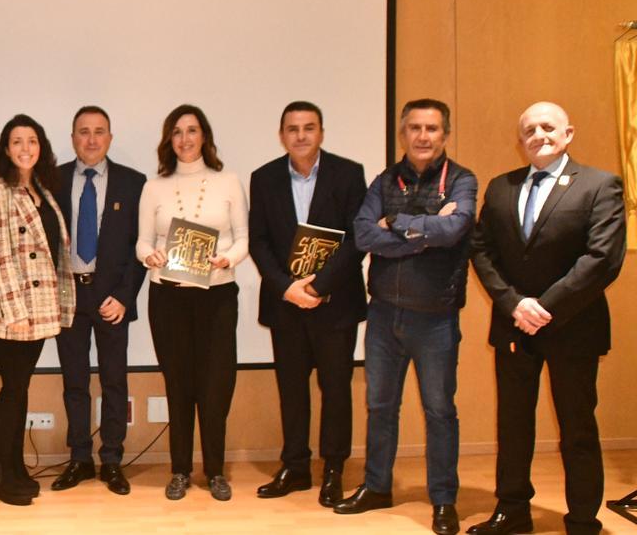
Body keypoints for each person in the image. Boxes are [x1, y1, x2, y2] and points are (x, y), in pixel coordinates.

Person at [467, 102, 625, 535]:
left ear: (568, 133)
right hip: (514, 325)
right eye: (530, 129)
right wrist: (514, 304)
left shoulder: (599, 185)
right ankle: (512, 510)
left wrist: (546, 307)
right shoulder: (500, 187)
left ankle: (582, 520)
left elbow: (602, 259)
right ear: (520, 141)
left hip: (575, 328)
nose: (539, 134)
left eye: (548, 127)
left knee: (577, 428)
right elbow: (482, 252)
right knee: (513, 425)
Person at [335, 99, 477, 535]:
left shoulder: (462, 180)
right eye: (414, 127)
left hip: (435, 319)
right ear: (403, 133)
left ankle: (443, 500)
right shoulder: (384, 179)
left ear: (445, 134)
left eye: (431, 128)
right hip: (383, 316)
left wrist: (395, 222)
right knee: (380, 406)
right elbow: (363, 233)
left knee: (439, 411)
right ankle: (377, 486)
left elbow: (456, 229)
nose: (422, 136)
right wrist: (422, 234)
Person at [248, 101, 367, 507]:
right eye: (292, 128)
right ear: (282, 135)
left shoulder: (348, 174)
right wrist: (287, 287)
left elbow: (358, 237)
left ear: (321, 132)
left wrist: (319, 286)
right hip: (286, 303)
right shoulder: (263, 178)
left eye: (309, 127)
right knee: (292, 388)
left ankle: (334, 468)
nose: (300, 135)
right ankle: (295, 467)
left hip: (336, 302)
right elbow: (258, 241)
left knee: (335, 389)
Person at [136, 104, 248, 502]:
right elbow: (143, 241)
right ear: (169, 139)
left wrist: (227, 259)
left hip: (217, 295)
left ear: (204, 136)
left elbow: (242, 239)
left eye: (192, 130)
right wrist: (150, 256)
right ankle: (180, 470)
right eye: (177, 132)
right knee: (178, 384)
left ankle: (215, 471)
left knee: (215, 386)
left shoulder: (229, 181)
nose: (185, 139)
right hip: (168, 297)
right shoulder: (154, 187)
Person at [0, 114, 75, 506]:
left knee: (19, 388)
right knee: (14, 388)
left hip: (39, 310)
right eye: (17, 142)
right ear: (5, 148)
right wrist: (17, 313)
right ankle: (2, 472)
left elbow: (54, 253)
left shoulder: (44, 191)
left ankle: (11, 468)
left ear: (41, 147)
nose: (25, 148)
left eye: (32, 141)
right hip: (8, 310)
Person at [50, 106, 146, 496]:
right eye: (83, 132)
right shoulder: (52, 180)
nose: (91, 139)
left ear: (110, 137)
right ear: (73, 138)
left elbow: (141, 247)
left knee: (114, 382)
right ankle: (79, 458)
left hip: (112, 298)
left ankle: (111, 461)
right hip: (69, 294)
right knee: (75, 382)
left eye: (99, 131)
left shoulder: (133, 182)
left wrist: (124, 297)